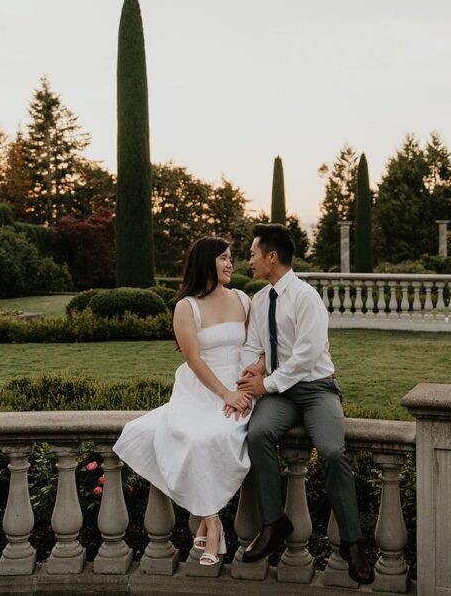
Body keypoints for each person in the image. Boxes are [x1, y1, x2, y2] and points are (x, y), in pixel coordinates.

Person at [230, 223, 375, 585]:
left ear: (272, 256)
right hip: (279, 393)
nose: (249, 260)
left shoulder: (307, 297)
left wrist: (267, 383)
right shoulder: (261, 300)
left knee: (330, 451)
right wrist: (250, 372)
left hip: (316, 389)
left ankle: (353, 543)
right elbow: (255, 344)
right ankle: (273, 521)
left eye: (253, 253)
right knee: (259, 432)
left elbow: (307, 356)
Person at [113, 236, 262, 566]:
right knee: (191, 438)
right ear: (205, 261)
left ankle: (208, 521)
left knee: (218, 438)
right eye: (223, 257)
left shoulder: (242, 299)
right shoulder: (186, 306)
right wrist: (224, 394)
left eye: (231, 257)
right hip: (201, 390)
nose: (230, 263)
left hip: (238, 386)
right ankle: (213, 522)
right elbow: (194, 359)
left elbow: (258, 348)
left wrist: (249, 385)